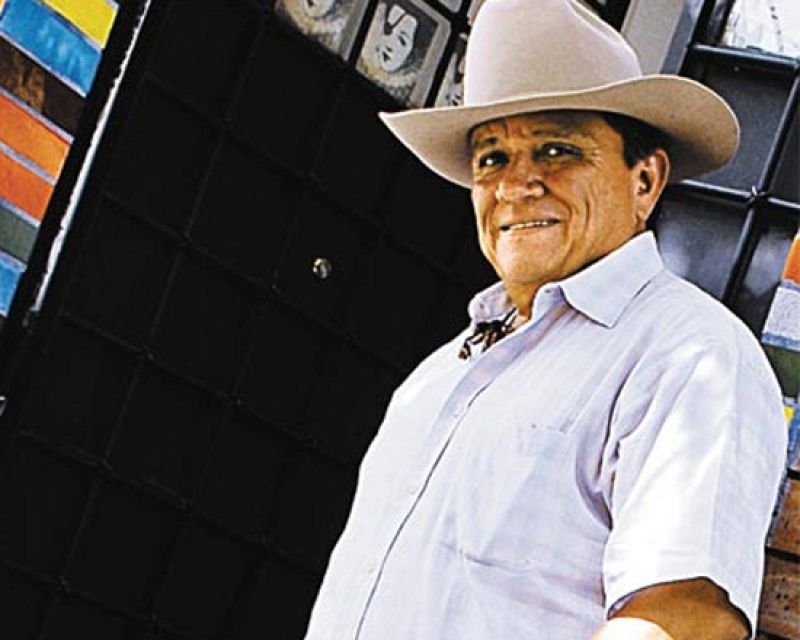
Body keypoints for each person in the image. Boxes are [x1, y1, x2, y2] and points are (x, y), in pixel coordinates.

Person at [304, 1, 788, 639]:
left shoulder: (690, 355)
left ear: (645, 180)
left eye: (557, 150)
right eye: (491, 159)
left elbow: (681, 620)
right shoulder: (437, 375)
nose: (517, 185)